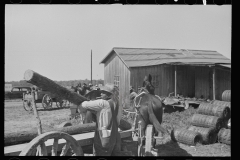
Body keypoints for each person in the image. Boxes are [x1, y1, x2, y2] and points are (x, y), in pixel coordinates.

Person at [78, 83, 125, 156]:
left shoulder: (102, 103)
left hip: (104, 137)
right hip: (115, 136)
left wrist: (81, 106)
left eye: (104, 92)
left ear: (109, 94)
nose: (101, 93)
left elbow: (84, 105)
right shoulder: (118, 104)